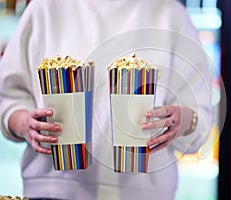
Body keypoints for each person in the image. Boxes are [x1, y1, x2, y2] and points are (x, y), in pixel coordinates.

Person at [0, 0, 213, 199]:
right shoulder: (45, 8)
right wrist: (24, 123)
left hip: (142, 193)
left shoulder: (169, 13)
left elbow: (199, 115)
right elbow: (9, 97)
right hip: (52, 190)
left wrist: (181, 120)